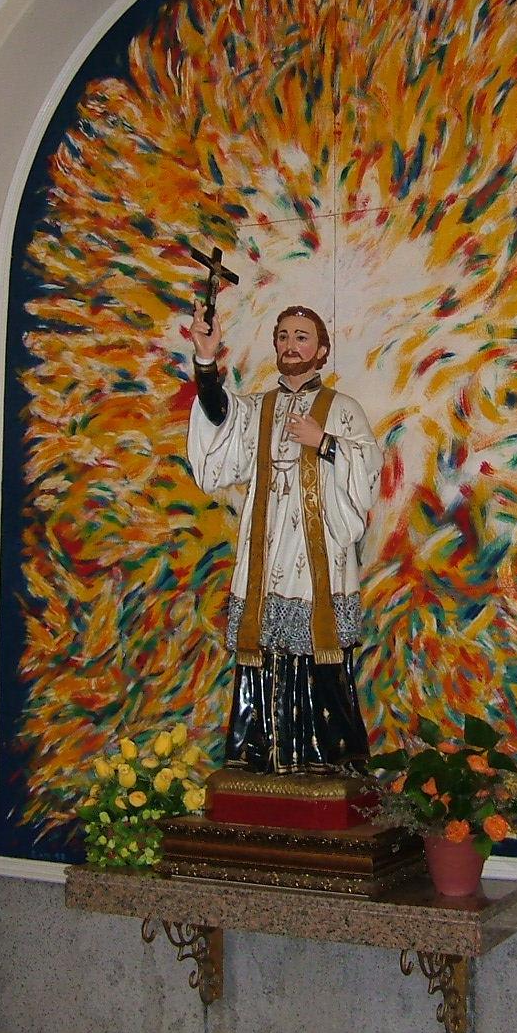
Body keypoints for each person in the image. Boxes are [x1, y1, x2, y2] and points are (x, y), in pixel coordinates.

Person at [187, 302, 383, 775]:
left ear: (322, 350)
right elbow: (218, 416)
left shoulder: (342, 409)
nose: (290, 345)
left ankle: (330, 759)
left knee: (321, 656)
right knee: (261, 652)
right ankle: (258, 755)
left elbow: (368, 470)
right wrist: (206, 360)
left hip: (320, 554)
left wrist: (325, 442)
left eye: (301, 336)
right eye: (283, 336)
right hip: (267, 545)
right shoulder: (258, 409)